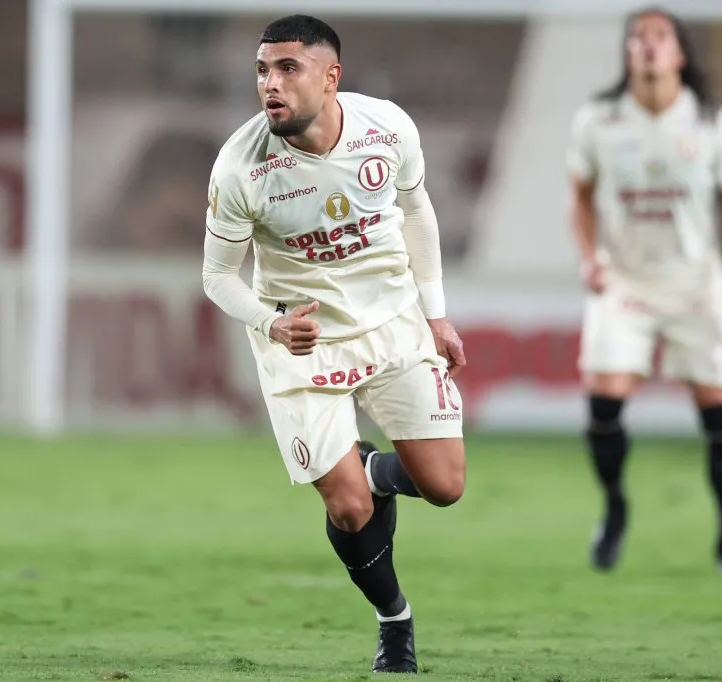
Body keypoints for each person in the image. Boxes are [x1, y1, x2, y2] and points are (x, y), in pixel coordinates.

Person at [201, 14, 467, 674]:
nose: (271, 83)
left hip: (393, 321)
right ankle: (395, 622)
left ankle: (371, 466)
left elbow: (415, 211)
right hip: (302, 342)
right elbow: (216, 278)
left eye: (287, 68)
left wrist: (437, 315)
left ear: (330, 76)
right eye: (263, 70)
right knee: (348, 508)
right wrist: (271, 322)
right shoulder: (241, 168)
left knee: (445, 487)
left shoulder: (388, 128)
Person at [567, 6, 722, 575]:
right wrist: (590, 260)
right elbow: (579, 196)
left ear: (678, 53)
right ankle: (616, 508)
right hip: (624, 280)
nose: (647, 46)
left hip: (697, 281)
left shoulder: (710, 120)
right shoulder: (598, 119)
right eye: (637, 38)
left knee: (719, 414)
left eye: (659, 37)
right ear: (627, 54)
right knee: (604, 401)